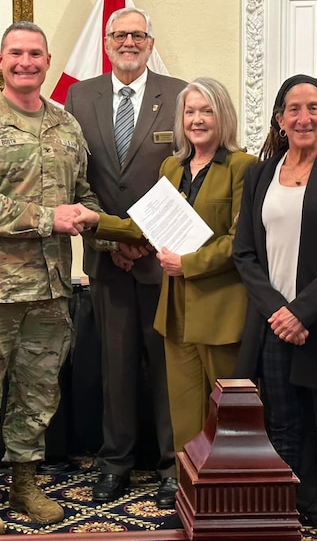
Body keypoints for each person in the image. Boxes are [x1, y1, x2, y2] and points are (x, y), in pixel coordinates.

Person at [0, 21, 101, 536]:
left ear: (48, 60)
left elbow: (83, 192)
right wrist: (48, 218)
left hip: (52, 288)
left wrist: (95, 220)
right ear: (0, 60)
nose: (26, 62)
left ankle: (24, 481)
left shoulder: (66, 126)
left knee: (38, 394)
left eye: (35, 54)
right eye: (16, 53)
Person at [74, 77, 257, 478]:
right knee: (184, 406)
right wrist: (96, 221)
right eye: (190, 111)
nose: (197, 119)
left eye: (206, 110)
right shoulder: (171, 166)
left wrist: (188, 265)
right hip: (175, 310)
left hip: (221, 310)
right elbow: (146, 226)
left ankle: (229, 484)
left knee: (226, 407)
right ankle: (185, 479)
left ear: (222, 116)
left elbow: (240, 242)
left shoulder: (244, 166)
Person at [232, 75, 317, 541]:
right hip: (274, 325)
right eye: (294, 109)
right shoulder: (260, 174)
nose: (304, 117)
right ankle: (287, 517)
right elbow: (245, 253)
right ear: (279, 119)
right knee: (283, 426)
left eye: (313, 107)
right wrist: (278, 311)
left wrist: (302, 312)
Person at [64, 6, 186, 508]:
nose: (129, 42)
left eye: (138, 35)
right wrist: (112, 242)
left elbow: (187, 175)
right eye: (120, 34)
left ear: (150, 43)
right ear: (107, 42)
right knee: (114, 367)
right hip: (106, 259)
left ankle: (172, 467)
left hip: (165, 256)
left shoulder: (179, 94)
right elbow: (78, 179)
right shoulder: (80, 95)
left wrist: (150, 240)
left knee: (166, 367)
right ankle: (114, 464)